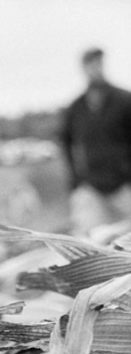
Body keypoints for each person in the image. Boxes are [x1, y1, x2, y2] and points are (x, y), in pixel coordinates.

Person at [61, 47, 131, 236]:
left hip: (123, 184)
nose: (95, 69)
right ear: (84, 68)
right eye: (90, 64)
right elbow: (66, 143)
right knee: (87, 238)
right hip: (91, 186)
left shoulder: (124, 100)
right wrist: (76, 180)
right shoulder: (76, 108)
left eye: (98, 63)